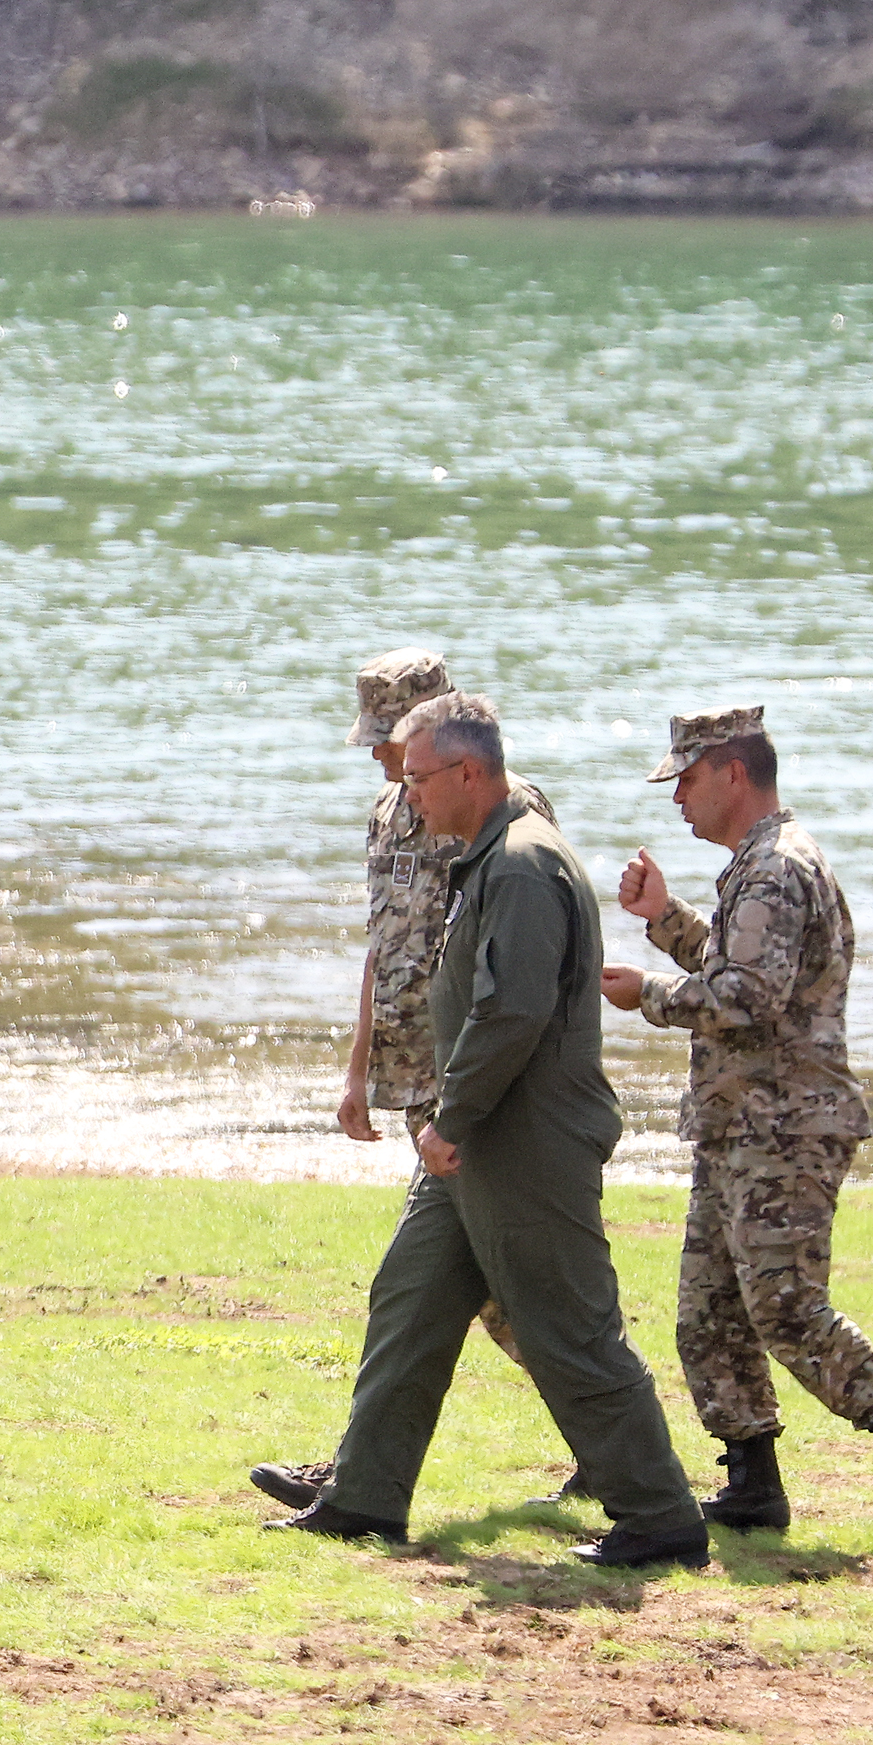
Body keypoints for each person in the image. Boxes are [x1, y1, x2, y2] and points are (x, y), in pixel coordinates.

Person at [264, 693, 711, 1568]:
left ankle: (660, 1514)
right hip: (472, 1138)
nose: (410, 794)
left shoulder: (518, 865)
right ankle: (363, 1499)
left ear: (470, 772)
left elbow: (511, 1014)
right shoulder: (485, 855)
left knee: (568, 1325)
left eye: (422, 778)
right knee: (412, 1295)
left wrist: (451, 1120)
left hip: (519, 1139)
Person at [602, 707, 873, 1545]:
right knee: (711, 1310)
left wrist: (647, 998)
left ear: (735, 772)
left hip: (786, 1127)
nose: (678, 800)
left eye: (689, 780)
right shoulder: (760, 864)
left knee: (784, 1306)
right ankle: (751, 1482)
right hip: (745, 1124)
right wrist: (666, 921)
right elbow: (739, 966)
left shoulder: (775, 869)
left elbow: (746, 997)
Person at [253, 648, 534, 1513]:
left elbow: (518, 972)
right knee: (477, 1293)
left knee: (479, 1289)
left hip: (478, 1093)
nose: (380, 758)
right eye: (377, 742)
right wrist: (357, 1070)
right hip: (421, 1088)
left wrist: (477, 1095)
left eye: (392, 741)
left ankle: (358, 1476)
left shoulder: (505, 815)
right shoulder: (387, 815)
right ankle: (614, 1453)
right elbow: (384, 945)